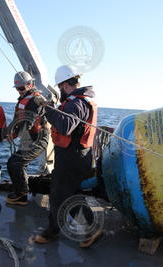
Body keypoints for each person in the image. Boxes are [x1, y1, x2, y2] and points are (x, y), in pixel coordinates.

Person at [33, 65, 101, 247]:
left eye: (59, 87)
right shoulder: (80, 101)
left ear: (63, 85)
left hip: (72, 159)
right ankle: (92, 228)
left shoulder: (76, 103)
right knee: (72, 194)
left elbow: (65, 126)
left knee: (57, 195)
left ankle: (52, 232)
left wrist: (46, 108)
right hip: (79, 157)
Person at [5, 71, 49, 205]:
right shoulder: (24, 98)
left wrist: (14, 134)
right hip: (29, 139)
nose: (19, 91)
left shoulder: (35, 100)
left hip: (38, 140)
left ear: (30, 84)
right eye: (17, 88)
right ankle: (22, 191)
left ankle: (22, 194)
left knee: (14, 162)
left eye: (22, 88)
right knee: (17, 163)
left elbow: (27, 122)